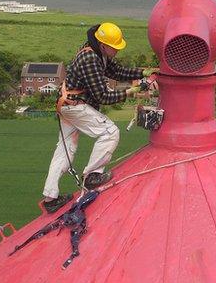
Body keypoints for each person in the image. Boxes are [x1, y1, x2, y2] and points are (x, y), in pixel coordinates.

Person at [41, 22, 157, 214]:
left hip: (68, 104)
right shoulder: (90, 59)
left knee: (65, 149)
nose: (117, 51)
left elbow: (117, 72)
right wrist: (132, 91)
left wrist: (144, 72)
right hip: (75, 106)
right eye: (115, 47)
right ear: (103, 45)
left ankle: (50, 198)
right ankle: (93, 175)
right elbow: (103, 96)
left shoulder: (97, 52)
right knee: (110, 132)